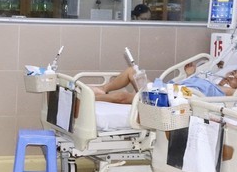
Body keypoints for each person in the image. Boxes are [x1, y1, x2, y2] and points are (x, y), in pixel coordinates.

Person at [93, 63, 237, 104]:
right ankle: (102, 89)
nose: (232, 74)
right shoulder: (209, 81)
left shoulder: (228, 93)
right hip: (166, 89)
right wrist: (190, 75)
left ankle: (92, 98)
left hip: (170, 98)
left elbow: (191, 94)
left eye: (236, 76)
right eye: (233, 72)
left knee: (126, 97)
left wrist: (228, 82)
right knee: (132, 71)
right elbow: (188, 87)